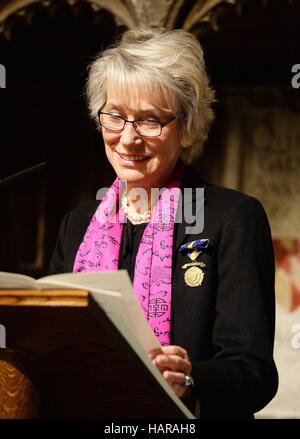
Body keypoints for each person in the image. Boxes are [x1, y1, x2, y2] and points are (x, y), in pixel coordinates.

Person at [49, 27, 278, 418]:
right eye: (116, 117)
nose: (128, 139)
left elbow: (253, 372)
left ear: (185, 127)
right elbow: (50, 347)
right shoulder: (76, 226)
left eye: (150, 121)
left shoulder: (233, 218)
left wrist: (189, 382)